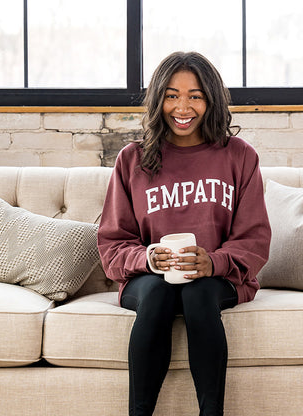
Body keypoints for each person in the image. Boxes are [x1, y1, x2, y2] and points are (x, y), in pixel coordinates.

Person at [97, 51, 271, 416]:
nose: (183, 106)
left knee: (197, 291)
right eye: (172, 94)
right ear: (159, 98)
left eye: (195, 95)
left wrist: (214, 262)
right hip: (150, 280)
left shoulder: (239, 156)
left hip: (217, 278)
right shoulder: (133, 159)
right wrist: (146, 258)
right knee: (161, 290)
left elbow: (254, 239)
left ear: (211, 100)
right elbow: (112, 242)